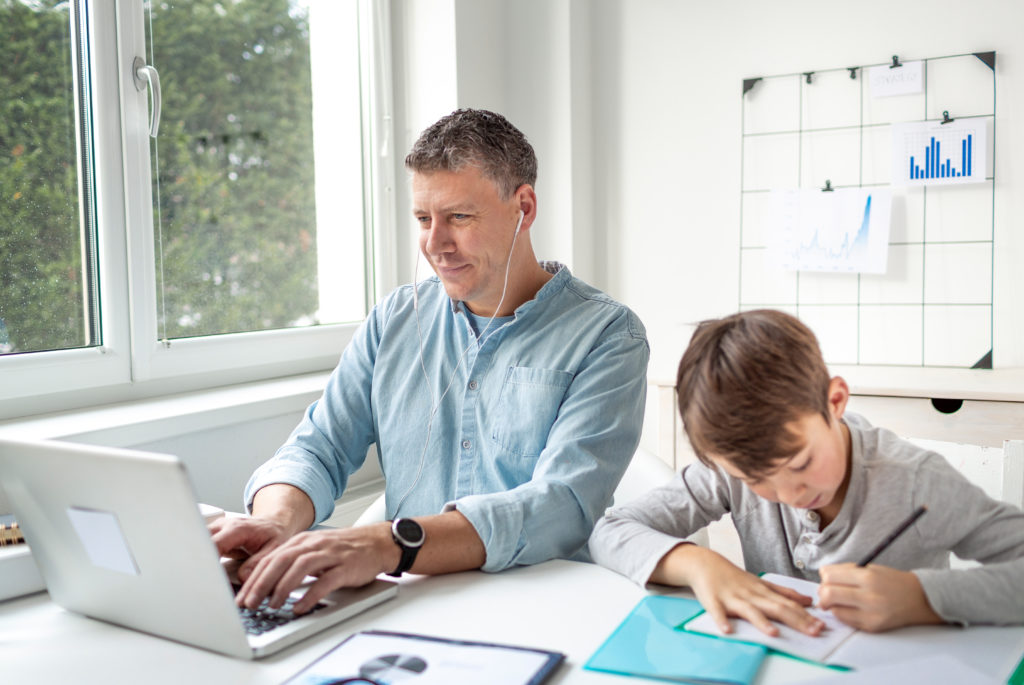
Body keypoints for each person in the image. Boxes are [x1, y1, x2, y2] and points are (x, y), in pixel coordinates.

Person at [212, 108, 649, 614]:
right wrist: (274, 522)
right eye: (424, 219)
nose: (435, 244)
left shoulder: (608, 334)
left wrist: (391, 543)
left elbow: (562, 505)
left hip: (540, 606)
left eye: (459, 217)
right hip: (407, 603)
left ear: (523, 208)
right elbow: (319, 448)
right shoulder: (395, 319)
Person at [589, 309, 1024, 636]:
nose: (788, 494)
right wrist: (699, 564)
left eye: (799, 464)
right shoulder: (731, 471)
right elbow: (609, 532)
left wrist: (923, 599)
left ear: (835, 402)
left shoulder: (917, 482)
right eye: (755, 479)